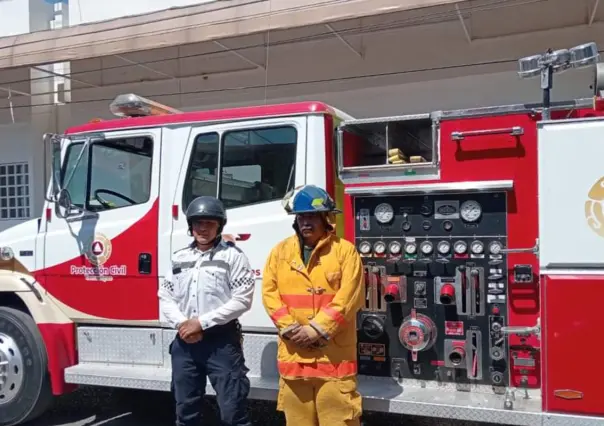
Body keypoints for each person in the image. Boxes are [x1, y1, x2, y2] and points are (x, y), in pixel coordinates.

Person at [261, 184, 366, 426]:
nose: (305, 222)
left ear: (326, 218)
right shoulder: (280, 252)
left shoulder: (345, 252)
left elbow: (350, 298)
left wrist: (315, 329)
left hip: (334, 362)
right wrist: (290, 328)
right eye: (301, 217)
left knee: (339, 422)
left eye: (312, 216)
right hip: (294, 360)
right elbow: (269, 294)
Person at [158, 196, 255, 426]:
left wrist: (201, 323)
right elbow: (166, 296)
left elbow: (242, 300)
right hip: (185, 343)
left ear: (219, 226)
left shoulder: (233, 256)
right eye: (198, 223)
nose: (203, 228)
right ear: (190, 226)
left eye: (209, 223)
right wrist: (184, 325)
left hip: (221, 343)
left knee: (233, 413)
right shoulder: (179, 257)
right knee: (186, 411)